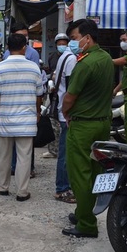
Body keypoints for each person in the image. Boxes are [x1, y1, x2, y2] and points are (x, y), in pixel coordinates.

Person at [61, 18, 114, 238]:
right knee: (93, 173)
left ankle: (86, 224)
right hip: (102, 124)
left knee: (79, 175)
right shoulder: (107, 59)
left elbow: (69, 97)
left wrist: (65, 112)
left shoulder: (85, 63)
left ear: (87, 38)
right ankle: (83, 211)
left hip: (83, 126)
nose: (71, 43)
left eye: (74, 39)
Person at [0, 33, 43, 202]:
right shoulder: (34, 68)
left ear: (8, 48)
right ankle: (22, 192)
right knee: (24, 157)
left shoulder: (0, 68)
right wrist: (38, 112)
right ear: (25, 48)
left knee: (3, 155)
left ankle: (2, 187)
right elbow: (39, 94)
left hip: (6, 121)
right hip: (27, 121)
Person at [4, 22, 46, 178]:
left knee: (27, 140)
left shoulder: (33, 53)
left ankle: (30, 168)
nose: (25, 38)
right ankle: (14, 167)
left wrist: (37, 109)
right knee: (12, 140)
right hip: (11, 100)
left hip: (27, 99)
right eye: (22, 35)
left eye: (26, 35)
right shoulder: (7, 54)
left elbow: (36, 79)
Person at [49, 33, 76, 203]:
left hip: (62, 110)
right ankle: (63, 189)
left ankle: (63, 187)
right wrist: (68, 113)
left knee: (64, 151)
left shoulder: (64, 57)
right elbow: (71, 89)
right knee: (65, 153)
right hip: (66, 113)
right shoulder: (70, 59)